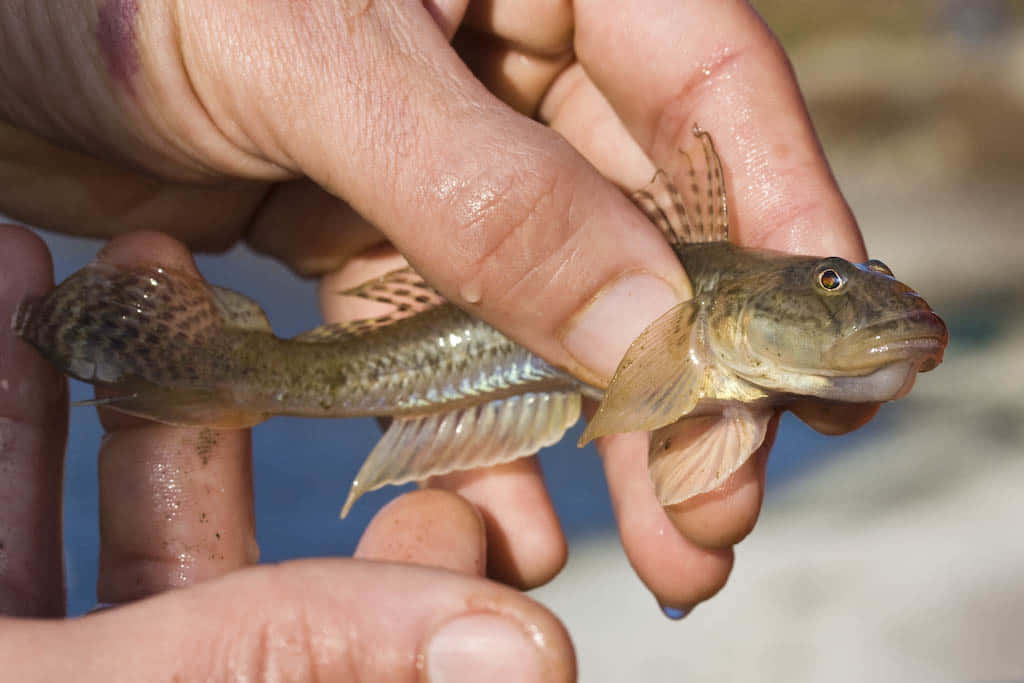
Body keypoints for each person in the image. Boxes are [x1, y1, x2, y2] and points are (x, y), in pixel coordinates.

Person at [0, 0, 871, 679]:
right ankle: (197, 366)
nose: (850, 300)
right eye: (831, 285)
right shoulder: (699, 309)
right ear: (739, 310)